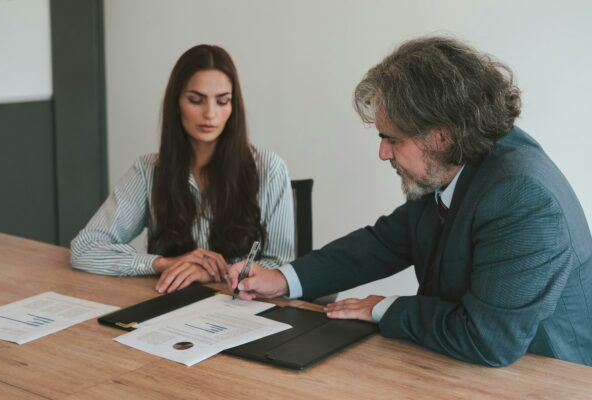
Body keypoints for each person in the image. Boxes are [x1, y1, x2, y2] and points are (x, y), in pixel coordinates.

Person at [228, 36, 592, 367]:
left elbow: (489, 340)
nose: (383, 153)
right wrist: (282, 278)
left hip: (547, 375)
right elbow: (385, 242)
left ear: (441, 136)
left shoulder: (522, 197)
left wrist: (383, 308)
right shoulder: (456, 160)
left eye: (392, 139)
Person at [71, 45, 295, 294]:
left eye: (222, 101)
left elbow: (280, 267)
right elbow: (85, 248)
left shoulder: (269, 169)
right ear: (176, 103)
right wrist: (164, 263)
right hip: (169, 304)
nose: (210, 113)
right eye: (196, 100)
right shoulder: (148, 171)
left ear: (233, 108)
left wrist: (211, 273)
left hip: (241, 309)